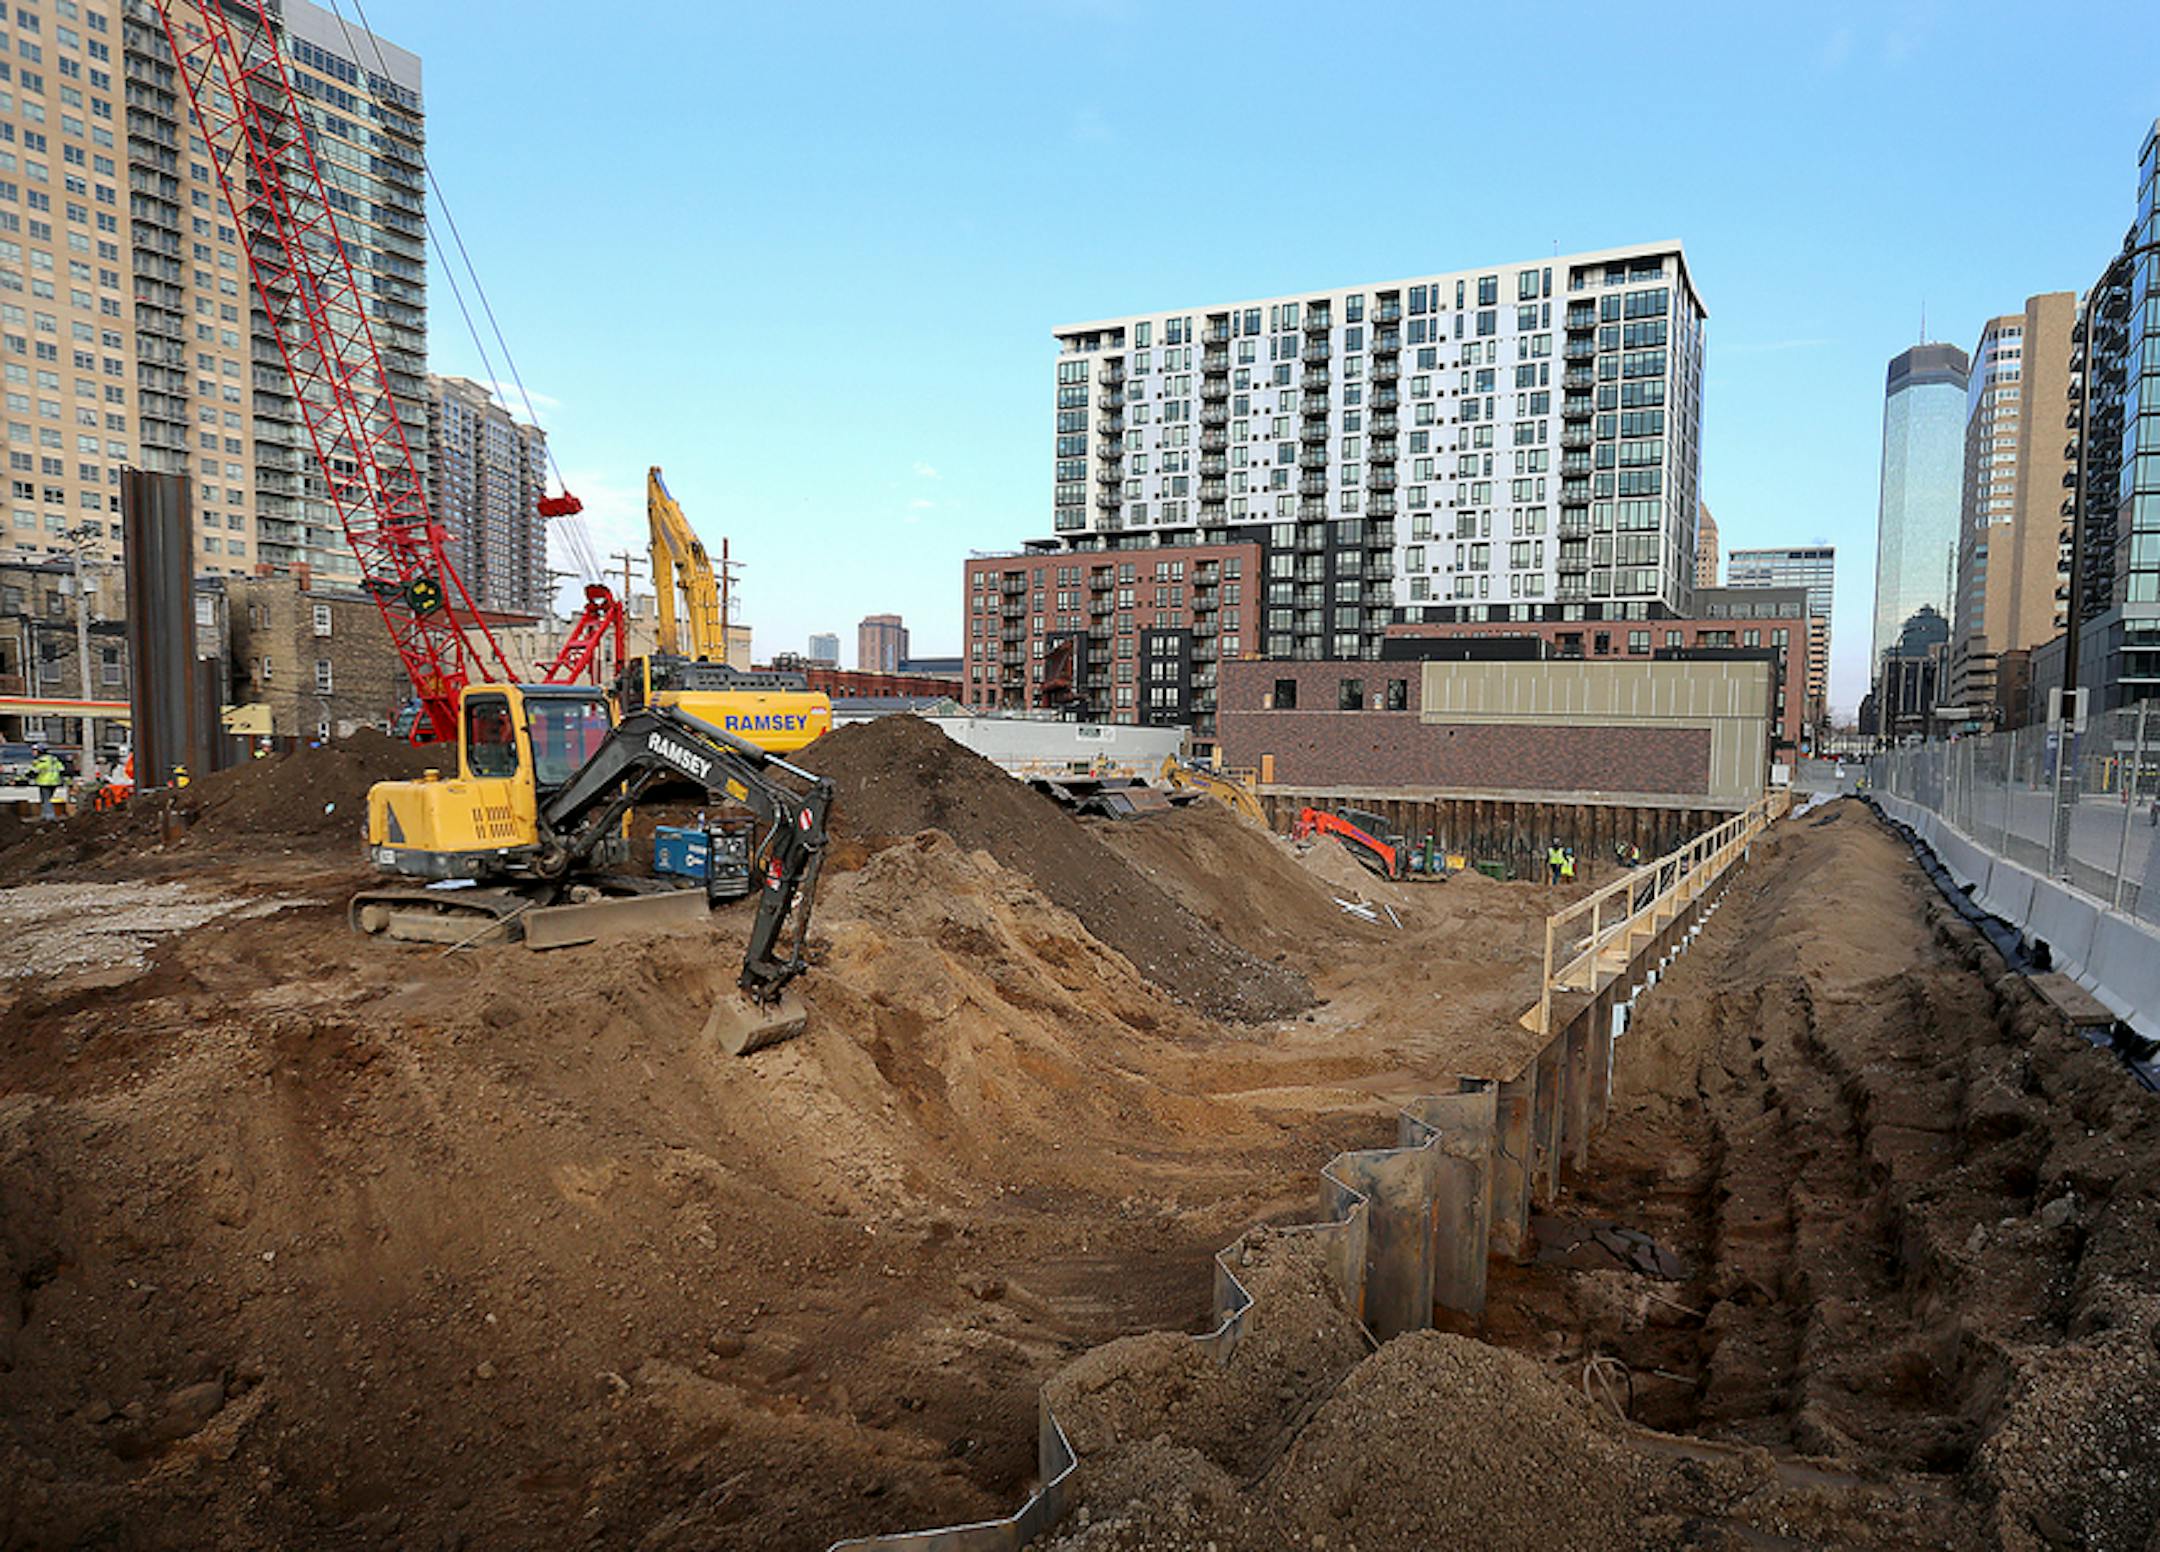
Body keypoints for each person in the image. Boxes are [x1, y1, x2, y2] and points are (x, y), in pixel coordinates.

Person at [28, 743, 65, 821]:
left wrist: (28, 774)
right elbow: (62, 769)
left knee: (46, 800)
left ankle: (49, 816)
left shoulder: (41, 760)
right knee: (46, 799)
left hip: (44, 782)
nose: (33, 752)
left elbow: (34, 771)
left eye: (35, 750)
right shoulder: (53, 759)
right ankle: (44, 815)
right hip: (55, 781)